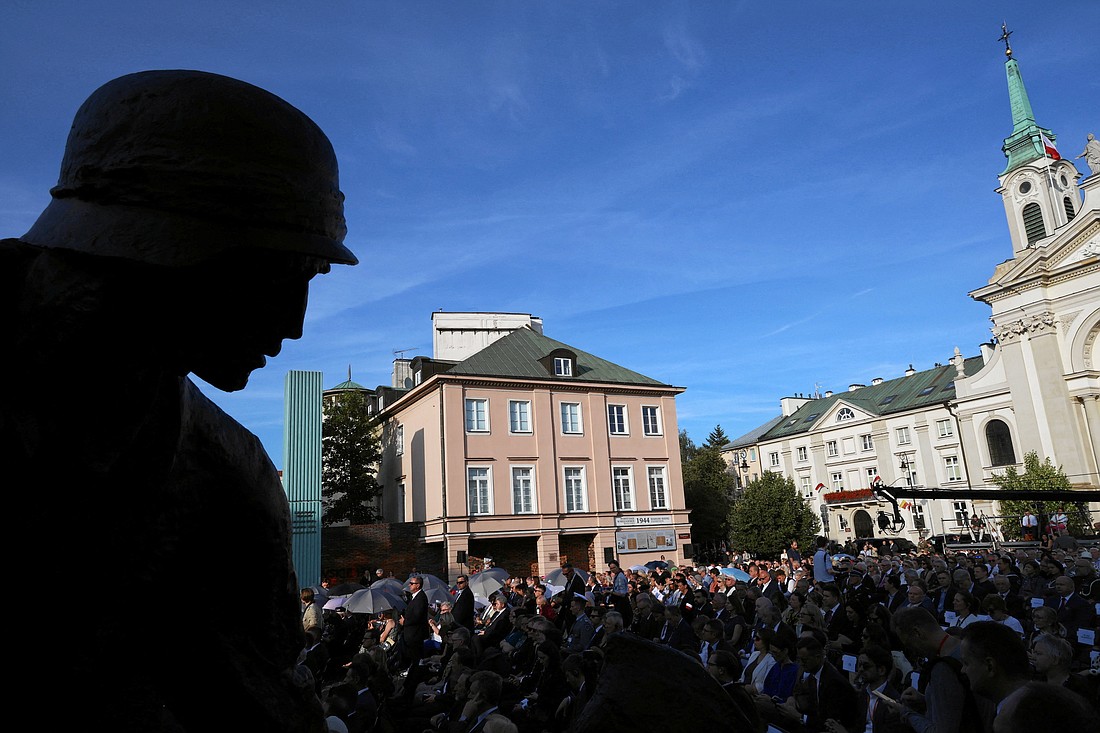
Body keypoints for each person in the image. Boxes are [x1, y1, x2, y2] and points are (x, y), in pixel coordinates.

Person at [4, 69, 356, 732]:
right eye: (279, 273)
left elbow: (256, 699)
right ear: (169, 244)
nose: (294, 324)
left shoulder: (232, 475)